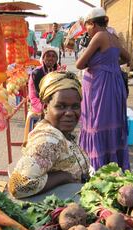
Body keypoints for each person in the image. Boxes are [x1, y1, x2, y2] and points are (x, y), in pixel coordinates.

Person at [8, 71, 90, 200]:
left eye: (75, 106)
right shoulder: (49, 139)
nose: (69, 113)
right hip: (58, 212)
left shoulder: (60, 131)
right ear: (46, 107)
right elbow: (18, 186)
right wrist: (64, 177)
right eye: (61, 106)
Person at [76, 7, 131, 171]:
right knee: (111, 120)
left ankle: (96, 165)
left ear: (92, 23)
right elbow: (127, 58)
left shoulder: (99, 36)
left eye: (86, 25)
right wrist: (110, 64)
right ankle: (113, 163)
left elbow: (80, 64)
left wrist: (100, 65)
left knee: (97, 122)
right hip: (114, 83)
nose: (87, 29)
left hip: (99, 86)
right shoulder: (113, 37)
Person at [28, 46, 59, 114]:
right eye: (48, 56)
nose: (50, 58)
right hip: (39, 104)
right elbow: (33, 95)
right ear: (43, 58)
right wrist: (43, 107)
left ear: (57, 59)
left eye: (53, 56)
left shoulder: (61, 72)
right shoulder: (36, 73)